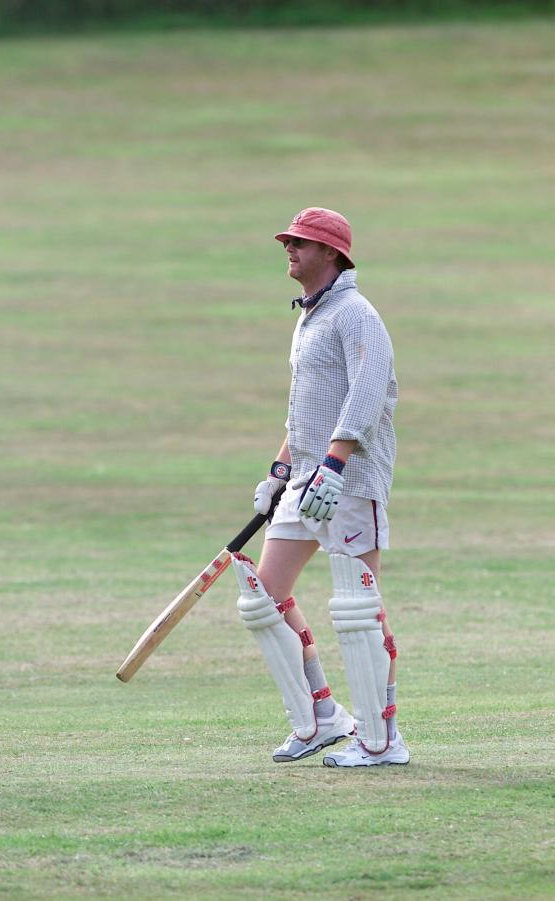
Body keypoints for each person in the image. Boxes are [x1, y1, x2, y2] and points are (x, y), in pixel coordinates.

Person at [231, 207, 409, 767]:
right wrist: (278, 472)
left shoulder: (355, 313)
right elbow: (305, 410)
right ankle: (321, 719)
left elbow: (369, 392)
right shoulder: (311, 316)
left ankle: (382, 740)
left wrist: (334, 464)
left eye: (301, 242)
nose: (290, 248)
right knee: (263, 596)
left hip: (349, 479)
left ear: (332, 253)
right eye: (288, 240)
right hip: (305, 479)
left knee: (359, 608)